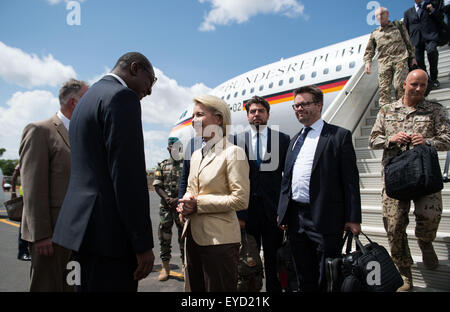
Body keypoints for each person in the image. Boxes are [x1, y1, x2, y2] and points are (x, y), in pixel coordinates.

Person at [52, 52, 157, 292]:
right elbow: (127, 177)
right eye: (150, 82)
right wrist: (142, 244)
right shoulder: (122, 98)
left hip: (82, 231)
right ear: (134, 68)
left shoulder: (85, 101)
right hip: (110, 237)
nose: (149, 91)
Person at [369, 69, 450, 291]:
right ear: (404, 84)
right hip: (396, 176)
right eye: (414, 84)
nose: (418, 89)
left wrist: (428, 142)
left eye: (423, 85)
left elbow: (447, 138)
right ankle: (404, 271)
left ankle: (425, 241)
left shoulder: (435, 110)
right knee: (394, 225)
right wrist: (390, 139)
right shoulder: (386, 111)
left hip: (425, 173)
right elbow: (373, 140)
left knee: (431, 216)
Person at [277, 85, 362, 292]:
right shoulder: (294, 139)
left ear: (319, 105)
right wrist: (283, 214)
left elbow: (350, 180)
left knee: (327, 275)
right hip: (296, 218)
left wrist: (353, 218)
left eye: (304, 104)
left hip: (325, 217)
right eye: (296, 106)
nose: (299, 109)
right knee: (302, 273)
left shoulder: (338, 136)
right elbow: (287, 180)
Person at [19, 79, 89, 291]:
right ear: (74, 103)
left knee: (71, 287)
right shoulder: (41, 130)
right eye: (88, 100)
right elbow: (32, 188)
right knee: (47, 287)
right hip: (50, 235)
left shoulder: (82, 135)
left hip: (76, 234)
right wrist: (41, 234)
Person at [177, 95, 250, 292]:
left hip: (220, 241)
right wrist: (184, 204)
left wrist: (198, 204)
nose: (193, 121)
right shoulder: (195, 155)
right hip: (193, 237)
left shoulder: (233, 153)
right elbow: (191, 189)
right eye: (193, 116)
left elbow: (241, 199)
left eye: (199, 115)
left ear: (218, 119)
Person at [234, 96, 290, 292]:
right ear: (247, 115)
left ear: (267, 114)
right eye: (252, 111)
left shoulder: (282, 140)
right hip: (246, 214)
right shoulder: (236, 141)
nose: (256, 114)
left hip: (273, 214)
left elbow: (287, 179)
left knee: (274, 263)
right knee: (248, 264)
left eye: (260, 111)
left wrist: (283, 211)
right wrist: (238, 214)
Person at [364, 7, 417, 107]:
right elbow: (369, 50)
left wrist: (413, 57)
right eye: (377, 16)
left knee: (399, 86)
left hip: (400, 59)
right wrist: (367, 62)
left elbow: (408, 42)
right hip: (384, 63)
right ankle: (385, 114)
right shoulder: (375, 33)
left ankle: (402, 109)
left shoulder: (398, 26)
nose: (379, 17)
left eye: (381, 14)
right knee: (384, 90)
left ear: (387, 14)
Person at [153, 137, 185, 281]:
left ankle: (185, 267)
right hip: (166, 209)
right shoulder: (162, 165)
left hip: (181, 208)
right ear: (168, 148)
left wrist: (178, 200)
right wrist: (167, 199)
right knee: (164, 239)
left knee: (183, 239)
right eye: (172, 147)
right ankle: (165, 269)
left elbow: (191, 185)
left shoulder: (186, 165)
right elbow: (157, 186)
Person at [404, 0, 445, 90]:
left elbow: (440, 18)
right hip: (415, 40)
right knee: (419, 62)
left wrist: (433, 10)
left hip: (430, 37)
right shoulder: (408, 13)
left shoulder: (430, 6)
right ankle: (427, 80)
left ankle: (434, 78)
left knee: (432, 51)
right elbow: (405, 29)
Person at [10, 165, 31, 261]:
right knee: (24, 224)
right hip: (25, 195)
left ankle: (26, 250)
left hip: (30, 194)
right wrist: (13, 192)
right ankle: (22, 252)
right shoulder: (25, 158)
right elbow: (14, 175)